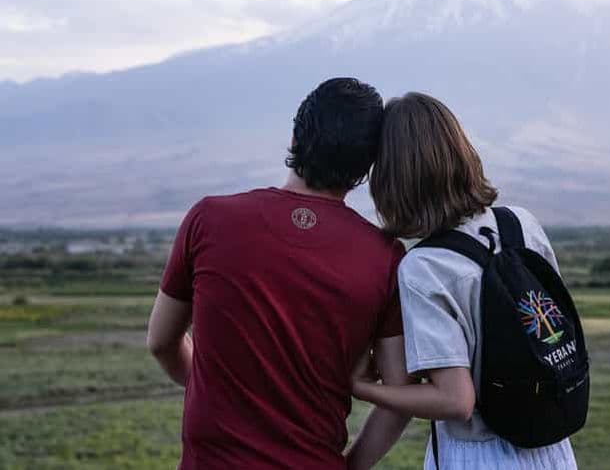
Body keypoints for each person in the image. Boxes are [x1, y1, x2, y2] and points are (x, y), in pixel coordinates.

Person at [146, 77, 412, 470]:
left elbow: (161, 342)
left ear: (294, 138)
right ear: (366, 166)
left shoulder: (210, 219)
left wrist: (218, 394)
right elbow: (400, 393)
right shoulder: (384, 256)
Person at [354, 92, 578, 469]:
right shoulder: (521, 223)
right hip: (550, 447)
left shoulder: (424, 266)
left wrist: (361, 388)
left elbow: (455, 401)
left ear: (391, 178)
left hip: (478, 455)